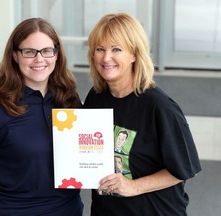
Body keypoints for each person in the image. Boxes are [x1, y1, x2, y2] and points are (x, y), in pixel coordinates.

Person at [0, 18, 83, 216]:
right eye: (29, 52)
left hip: (68, 210)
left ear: (56, 54)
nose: (39, 59)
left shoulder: (68, 100)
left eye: (47, 51)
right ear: (15, 55)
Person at [83, 13, 201, 216]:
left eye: (116, 49)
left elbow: (183, 169)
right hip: (107, 210)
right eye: (100, 49)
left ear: (135, 54)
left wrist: (133, 186)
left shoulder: (159, 106)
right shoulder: (96, 98)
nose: (105, 57)